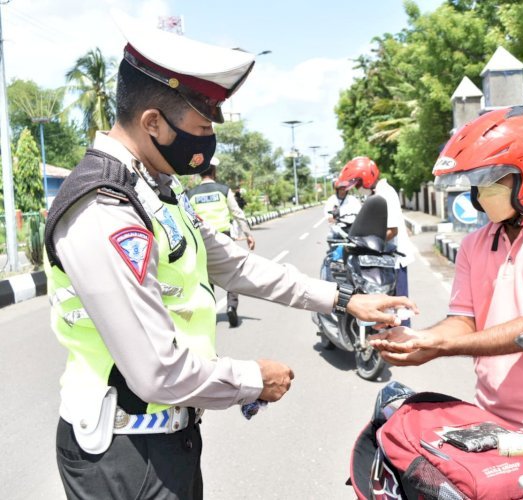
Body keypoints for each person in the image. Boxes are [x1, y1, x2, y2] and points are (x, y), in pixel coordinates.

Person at [43, 12, 415, 500]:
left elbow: (235, 264)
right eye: (200, 126)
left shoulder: (156, 191)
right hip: (122, 452)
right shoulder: (104, 206)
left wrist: (344, 301)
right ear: (152, 122)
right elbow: (157, 370)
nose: (206, 142)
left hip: (165, 438)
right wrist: (251, 380)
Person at [370, 106, 523, 441]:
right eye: (477, 184)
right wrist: (421, 338)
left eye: (492, 180)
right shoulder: (474, 244)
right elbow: (464, 320)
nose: (481, 193)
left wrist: (441, 346)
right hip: (492, 421)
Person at [337, 156, 416, 326]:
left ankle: (405, 345)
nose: (357, 189)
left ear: (367, 179)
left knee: (398, 309)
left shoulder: (385, 194)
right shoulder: (376, 195)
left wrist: (364, 242)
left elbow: (391, 230)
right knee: (383, 308)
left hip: (396, 260)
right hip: (383, 259)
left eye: (358, 184)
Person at [187, 157, 255, 327]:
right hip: (223, 237)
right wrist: (248, 234)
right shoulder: (223, 190)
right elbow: (237, 213)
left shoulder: (191, 194)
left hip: (201, 240)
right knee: (232, 273)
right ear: (214, 171)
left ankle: (209, 312)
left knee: (206, 277)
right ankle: (231, 306)